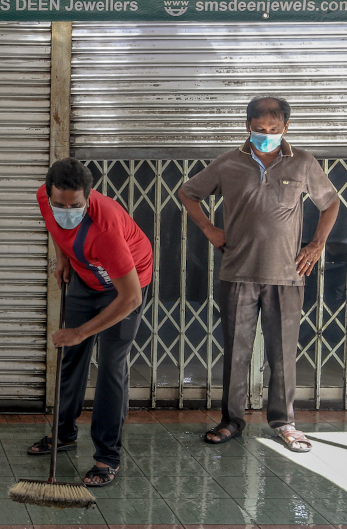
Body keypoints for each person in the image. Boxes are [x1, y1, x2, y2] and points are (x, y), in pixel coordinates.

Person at [179, 96, 339, 453]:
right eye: (259, 129)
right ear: (247, 125)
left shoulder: (303, 163)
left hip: (287, 275)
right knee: (236, 351)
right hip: (238, 273)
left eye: (274, 129)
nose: (266, 135)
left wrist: (316, 244)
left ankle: (284, 422)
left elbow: (330, 203)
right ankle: (231, 421)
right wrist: (210, 230)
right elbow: (188, 193)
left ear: (286, 128)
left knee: (282, 354)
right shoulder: (228, 163)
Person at [29, 158, 152, 487]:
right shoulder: (45, 198)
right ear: (49, 193)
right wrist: (63, 257)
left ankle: (107, 457)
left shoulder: (106, 228)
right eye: (60, 204)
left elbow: (131, 299)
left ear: (89, 196)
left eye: (76, 205)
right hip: (86, 278)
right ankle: (64, 434)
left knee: (112, 366)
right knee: (72, 358)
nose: (66, 210)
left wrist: (81, 331)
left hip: (126, 286)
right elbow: (55, 226)